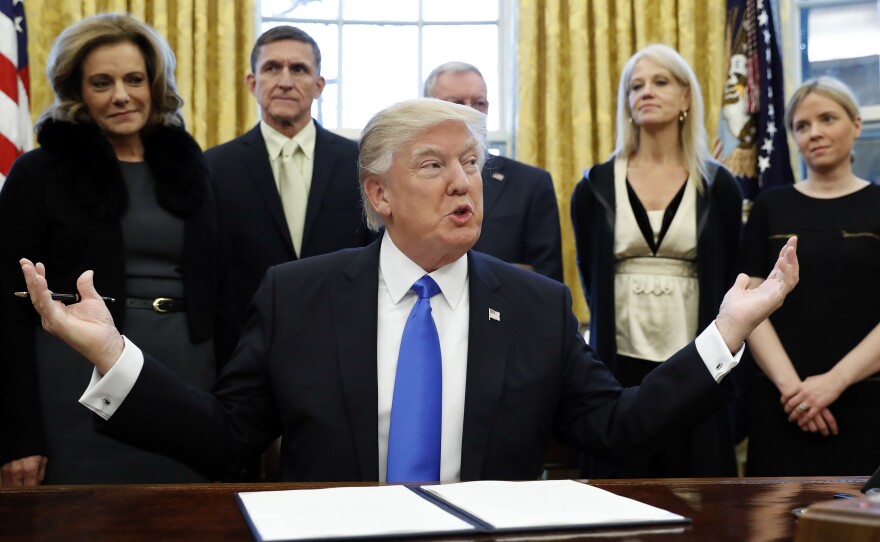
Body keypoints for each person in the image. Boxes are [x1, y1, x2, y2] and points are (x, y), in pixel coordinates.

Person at [17, 99, 798, 483]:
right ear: (380, 195)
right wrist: (116, 358)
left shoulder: (535, 306)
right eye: (434, 165)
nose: (465, 181)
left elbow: (618, 428)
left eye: (473, 160)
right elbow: (229, 438)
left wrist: (727, 331)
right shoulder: (298, 294)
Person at [0, 14, 229, 485]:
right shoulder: (39, 172)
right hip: (75, 382)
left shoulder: (192, 168)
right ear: (78, 92)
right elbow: (6, 306)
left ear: (154, 83)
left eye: (134, 79)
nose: (121, 95)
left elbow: (222, 284)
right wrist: (18, 435)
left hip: (189, 375)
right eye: (102, 83)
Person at [570, 44, 743, 477]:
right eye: (635, 86)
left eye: (660, 82)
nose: (646, 92)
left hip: (697, 359)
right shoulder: (594, 186)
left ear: (686, 97)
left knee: (698, 490)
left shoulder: (717, 185)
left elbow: (727, 276)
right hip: (618, 363)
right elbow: (590, 278)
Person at [741, 76, 880, 476]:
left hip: (864, 403)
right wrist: (794, 392)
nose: (814, 132)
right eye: (802, 126)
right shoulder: (770, 206)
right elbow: (748, 304)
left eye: (827, 118)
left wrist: (833, 382)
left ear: (856, 125)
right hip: (781, 404)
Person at [205, 26, 373, 339]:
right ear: (253, 84)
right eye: (272, 68)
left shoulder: (360, 164)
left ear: (319, 85)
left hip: (343, 338)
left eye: (298, 69)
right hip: (245, 343)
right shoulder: (213, 166)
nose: (284, 81)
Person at [424, 62, 563, 282]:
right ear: (426, 109)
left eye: (479, 103)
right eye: (456, 103)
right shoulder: (403, 180)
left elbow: (547, 283)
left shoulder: (530, 184)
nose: (471, 111)